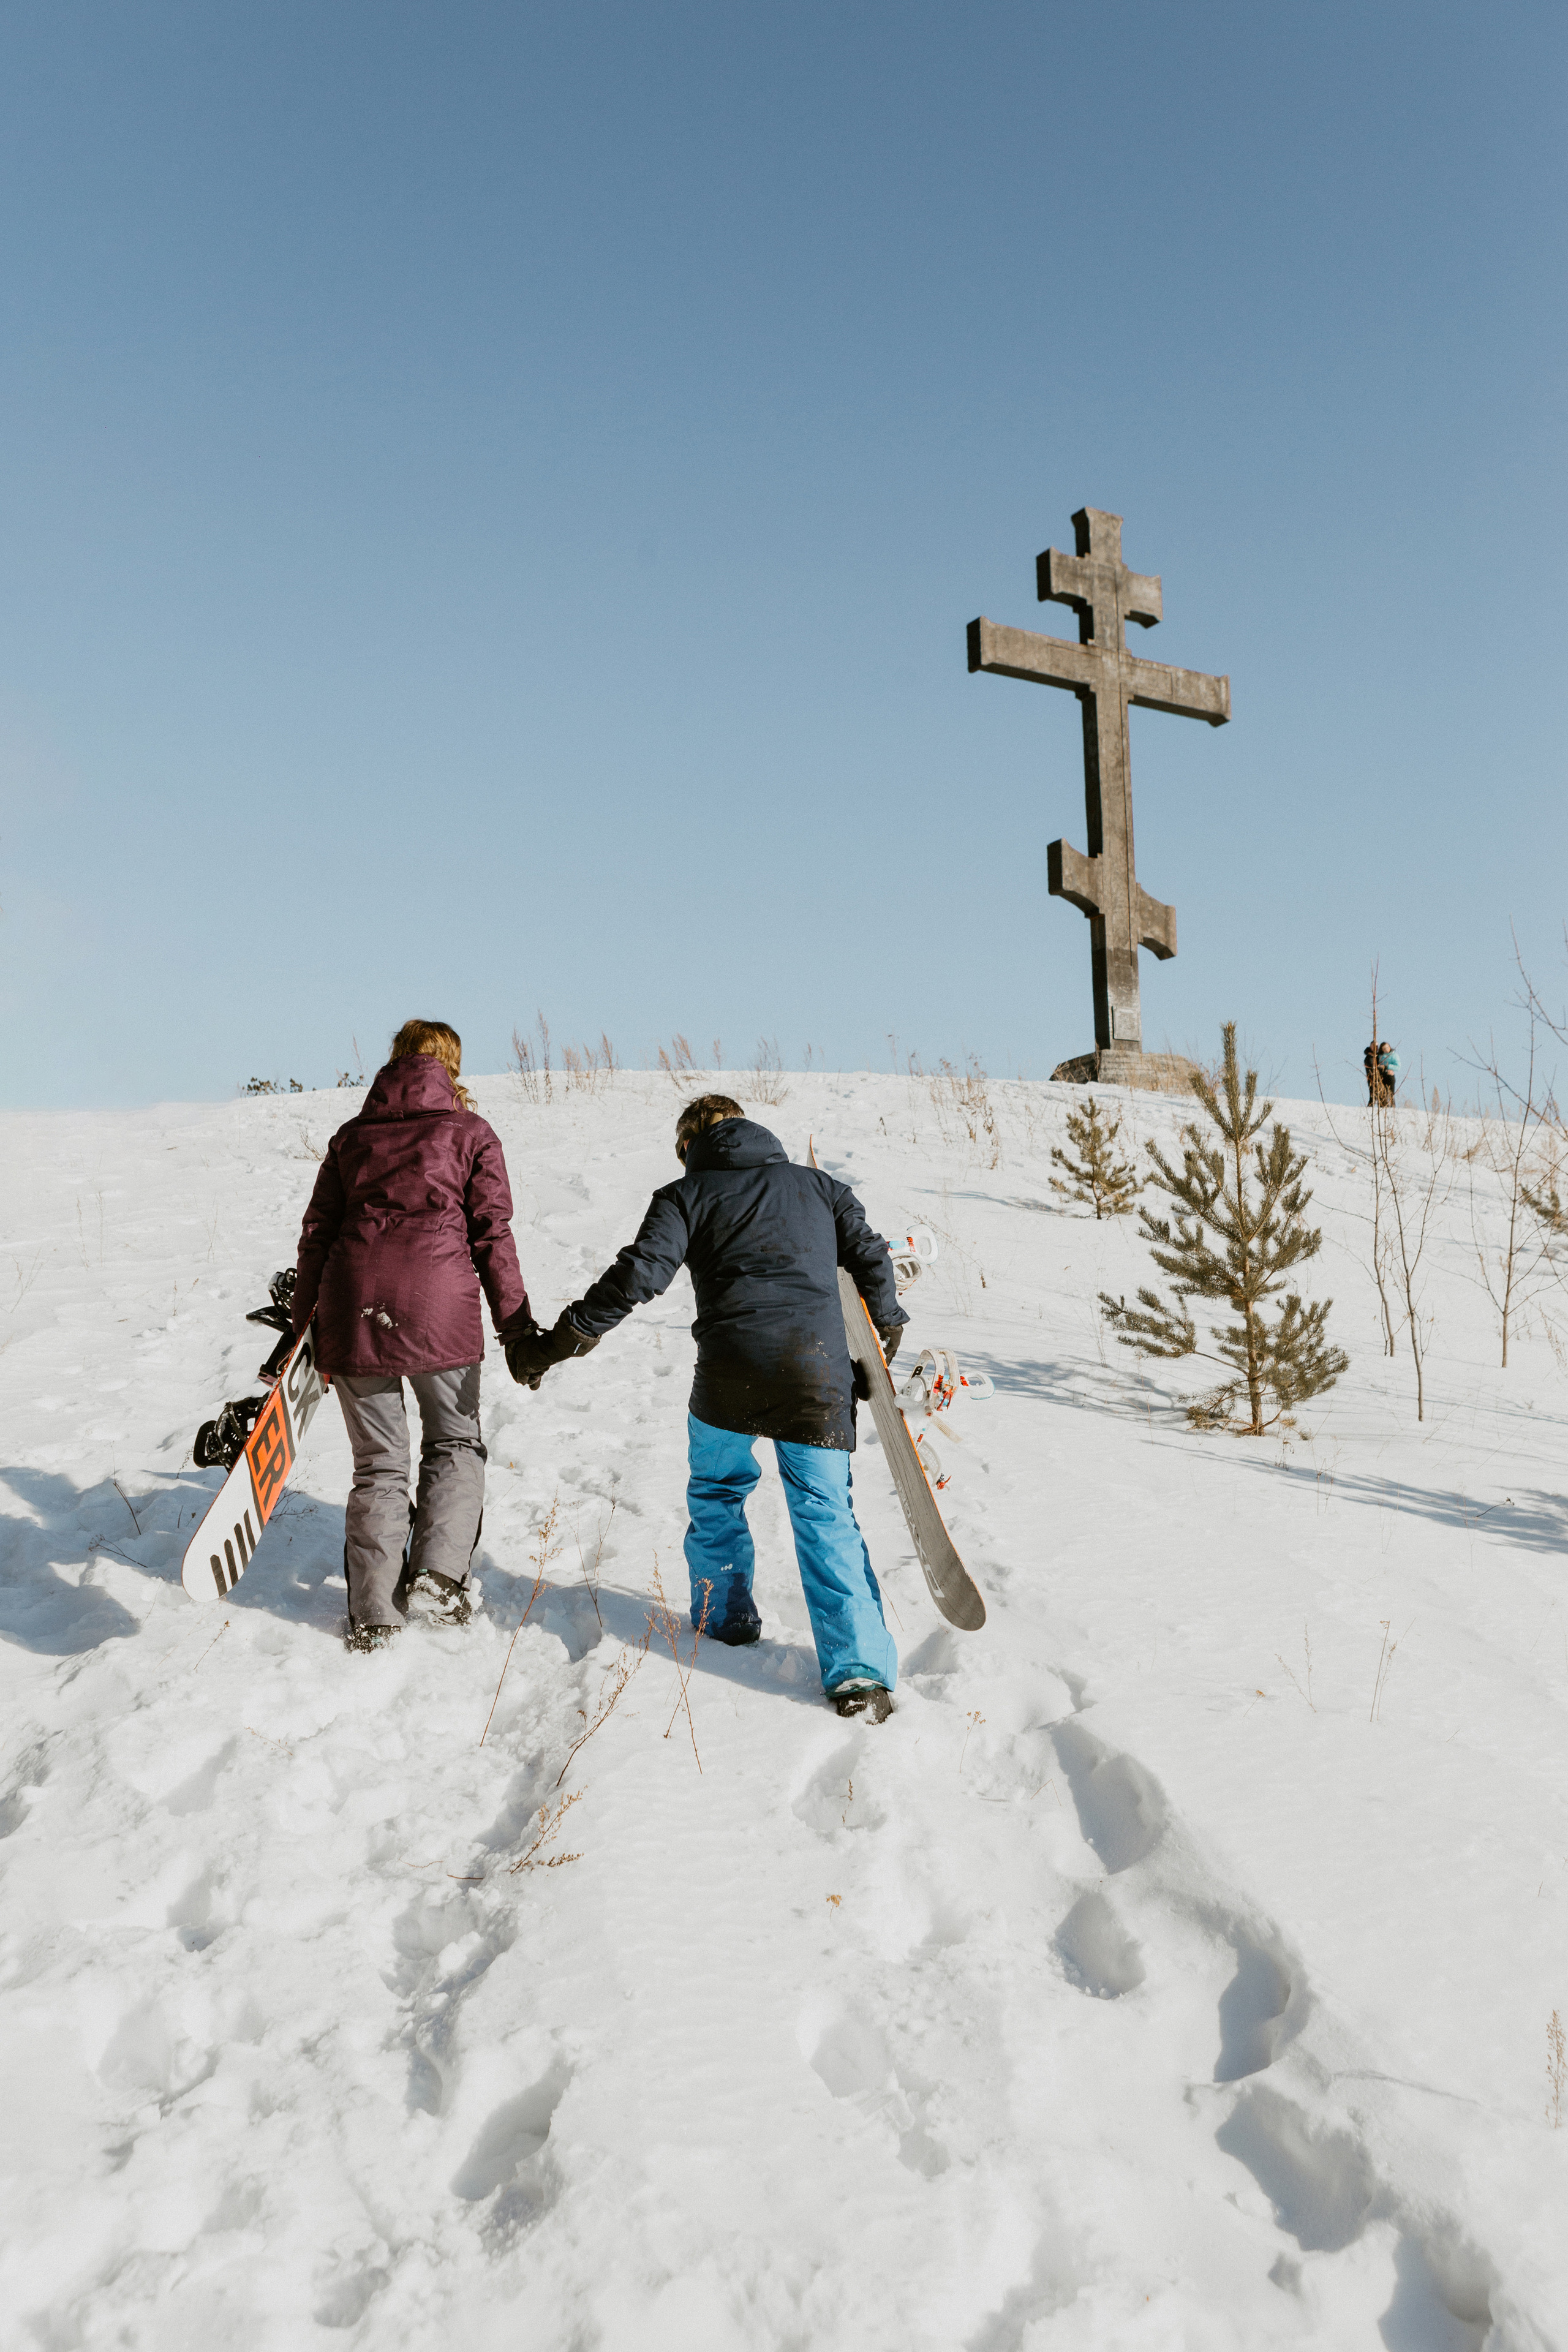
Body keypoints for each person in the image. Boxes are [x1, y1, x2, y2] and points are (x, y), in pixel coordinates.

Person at [507, 1094, 908, 1721]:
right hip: (814, 1373)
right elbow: (871, 1256)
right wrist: (885, 1333)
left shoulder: (683, 1196)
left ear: (689, 1146)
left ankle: (724, 1617)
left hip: (728, 1377)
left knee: (717, 1491)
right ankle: (857, 1673)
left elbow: (636, 1278)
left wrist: (554, 1347)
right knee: (824, 1514)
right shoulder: (821, 1187)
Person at [292, 1019, 535, 1651]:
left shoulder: (351, 1138)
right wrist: (517, 1328)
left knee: (378, 1464)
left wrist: (298, 1331)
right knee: (454, 1441)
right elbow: (492, 1235)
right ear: (449, 1066)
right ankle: (438, 1575)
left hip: (353, 1305)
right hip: (438, 1308)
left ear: (396, 1061)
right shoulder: (470, 1134)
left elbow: (316, 1234)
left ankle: (374, 1614)